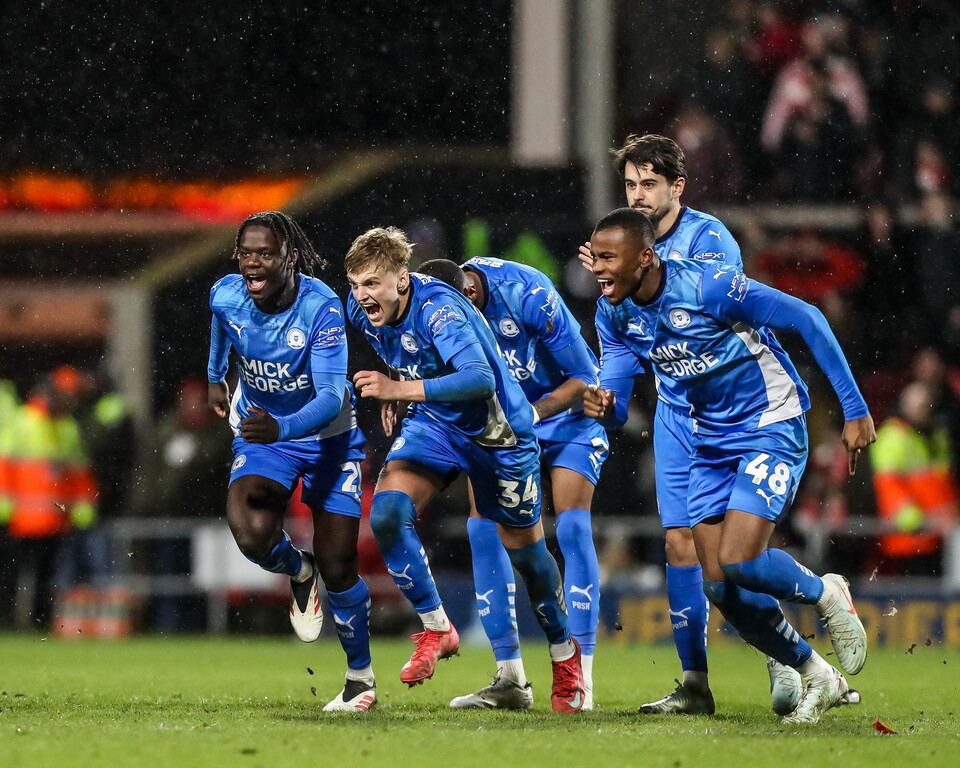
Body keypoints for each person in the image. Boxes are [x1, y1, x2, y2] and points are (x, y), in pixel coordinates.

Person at [585, 208, 875, 724]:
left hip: (769, 422)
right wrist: (605, 407)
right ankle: (818, 674)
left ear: (645, 257)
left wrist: (854, 409)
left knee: (740, 560)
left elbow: (807, 317)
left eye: (608, 257)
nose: (597, 267)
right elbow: (619, 402)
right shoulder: (613, 315)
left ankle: (827, 592)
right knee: (718, 584)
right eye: (595, 257)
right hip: (710, 442)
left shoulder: (709, 285)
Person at [578, 133, 798, 715]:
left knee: (731, 554)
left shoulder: (710, 239)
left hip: (731, 408)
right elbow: (627, 347)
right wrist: (613, 279)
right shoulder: (621, 250)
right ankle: (695, 683)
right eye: (630, 184)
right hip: (675, 412)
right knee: (679, 546)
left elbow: (699, 314)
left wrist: (622, 269)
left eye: (649, 183)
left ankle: (779, 648)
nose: (638, 194)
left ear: (677, 187)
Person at [344, 227, 585, 713]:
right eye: (355, 284)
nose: (362, 295)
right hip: (436, 424)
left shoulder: (440, 309)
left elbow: (478, 379)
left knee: (528, 555)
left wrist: (397, 389)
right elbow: (405, 350)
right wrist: (402, 382)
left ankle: (565, 656)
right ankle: (438, 628)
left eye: (372, 283)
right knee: (387, 514)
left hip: (499, 435)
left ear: (402, 280)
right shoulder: (362, 309)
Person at [417, 256, 606, 710]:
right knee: (483, 529)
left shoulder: (527, 293)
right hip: (503, 426)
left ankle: (581, 676)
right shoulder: (433, 316)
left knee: (572, 526)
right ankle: (510, 679)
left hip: (566, 417)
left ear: (469, 293)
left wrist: (532, 414)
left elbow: (585, 376)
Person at [207, 211, 375, 712]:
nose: (252, 263)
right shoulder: (226, 294)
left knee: (339, 564)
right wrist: (216, 376)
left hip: (327, 439)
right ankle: (299, 571)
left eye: (265, 253)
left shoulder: (321, 308)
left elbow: (330, 396)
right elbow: (222, 325)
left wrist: (281, 427)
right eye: (245, 253)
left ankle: (360, 679)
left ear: (291, 257)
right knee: (251, 532)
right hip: (265, 436)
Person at [870, 380, 959, 575]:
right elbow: (888, 487)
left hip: (940, 536)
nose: (924, 410)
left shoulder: (936, 434)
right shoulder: (893, 436)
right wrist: (916, 520)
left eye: (927, 405)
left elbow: (944, 482)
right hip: (909, 538)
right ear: (904, 405)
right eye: (919, 406)